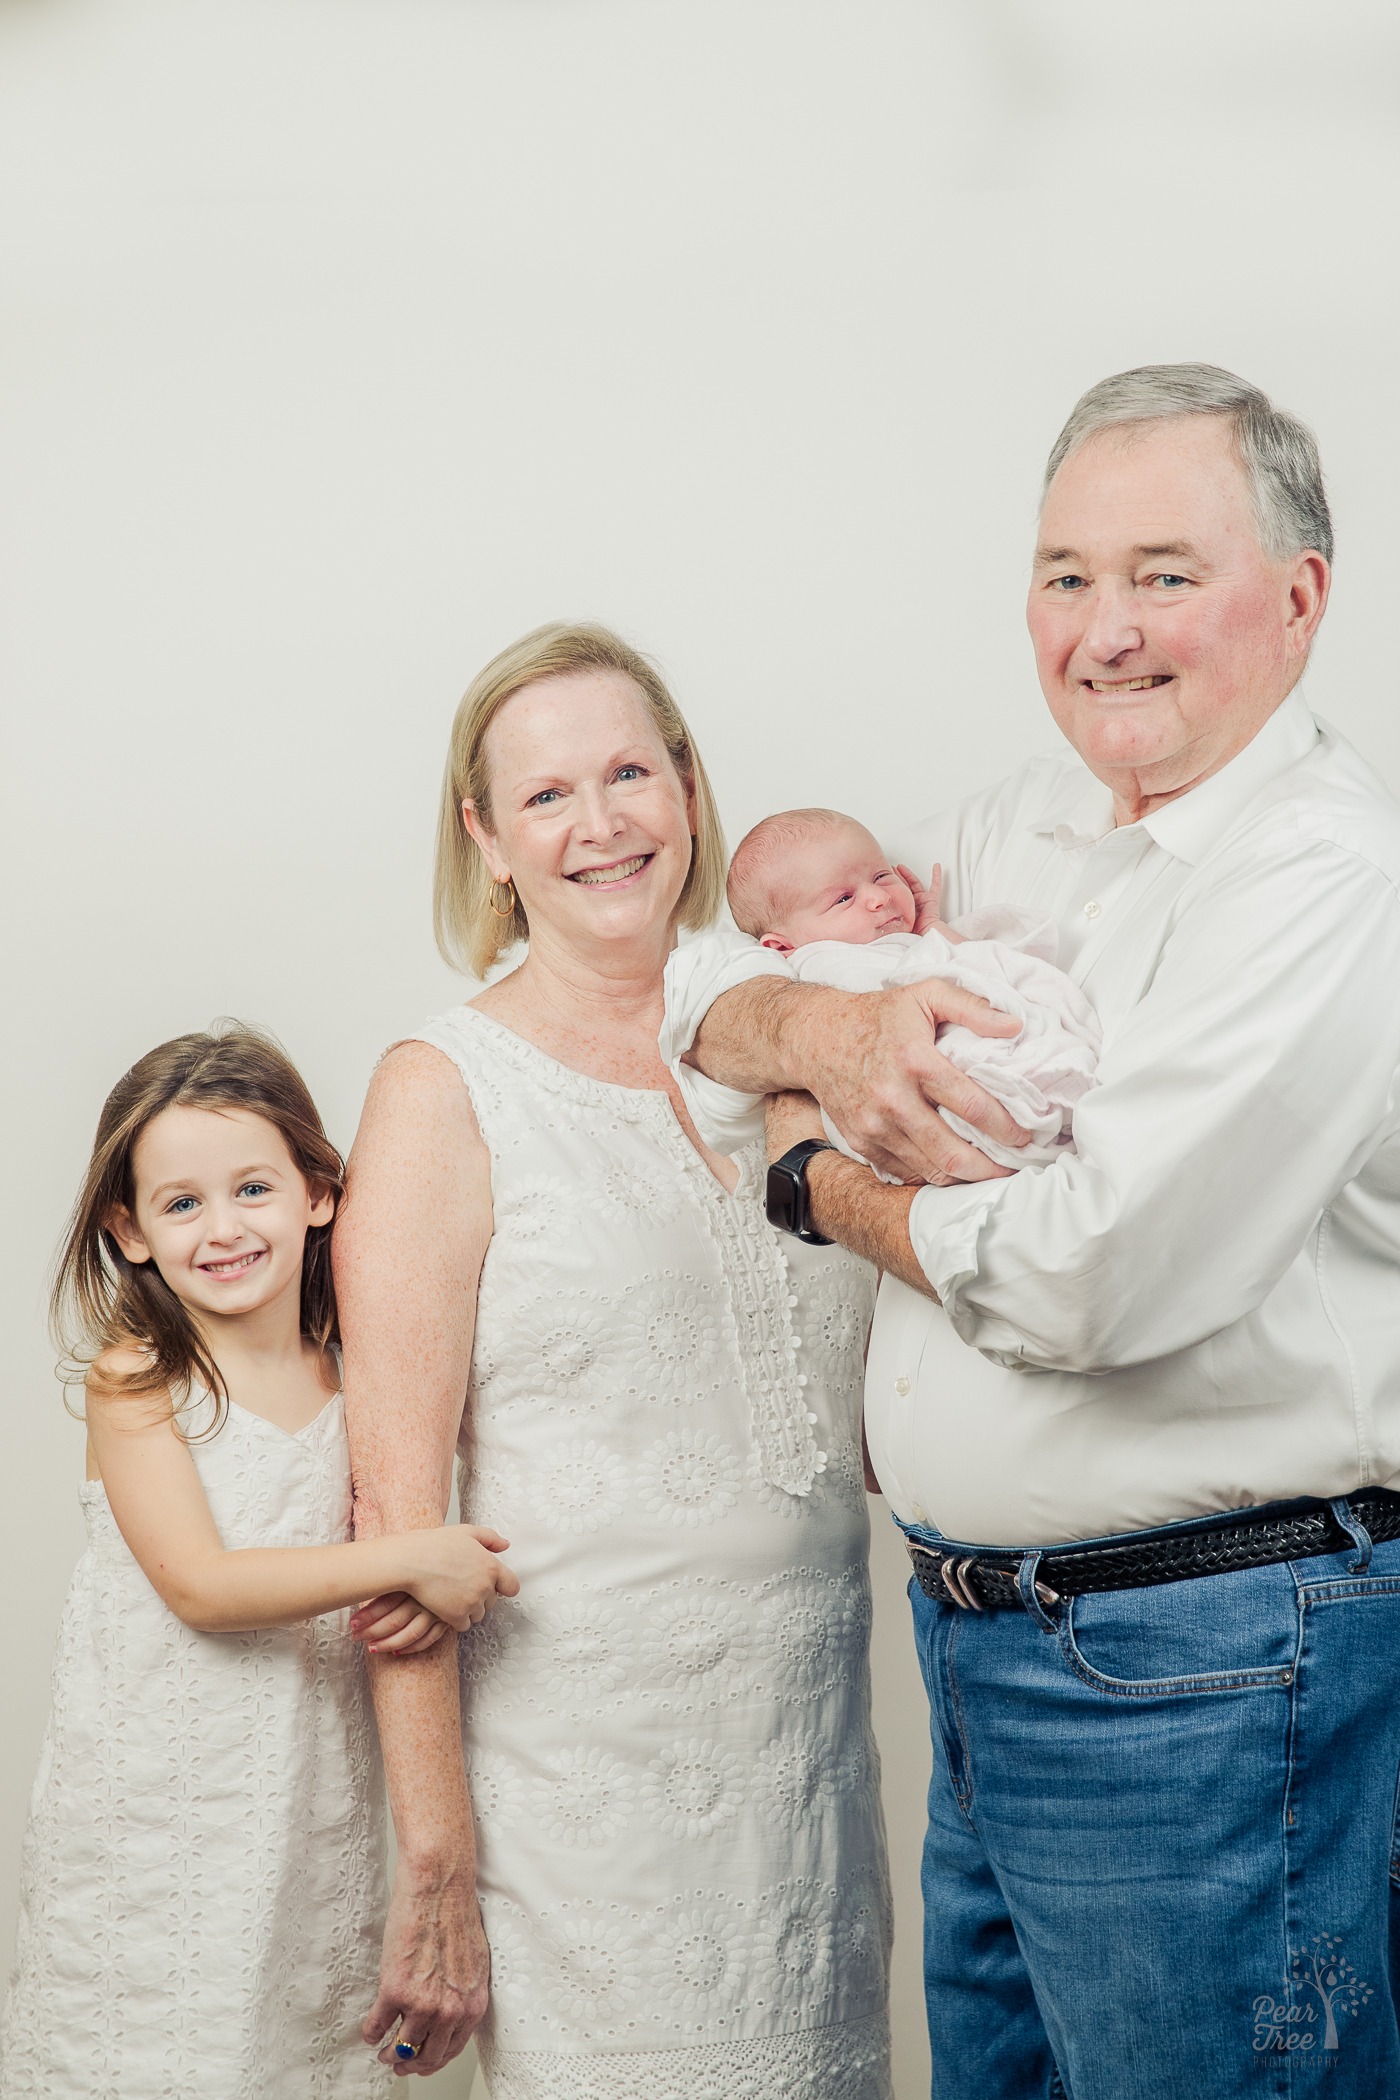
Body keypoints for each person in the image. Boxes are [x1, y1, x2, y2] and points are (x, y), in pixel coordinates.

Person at [665, 366, 1400, 2098]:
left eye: (1162, 572)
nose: (1105, 630)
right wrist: (829, 1038)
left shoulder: (1324, 876)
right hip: (990, 1654)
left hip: (1213, 1670)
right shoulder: (1017, 832)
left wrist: (819, 1183)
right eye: (1067, 575)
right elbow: (708, 1000)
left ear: (1297, 600)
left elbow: (1088, 1277)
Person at [333, 623, 892, 2095]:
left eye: (631, 772)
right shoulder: (443, 1091)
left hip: (813, 1801)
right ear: (488, 840)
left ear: (691, 791)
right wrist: (437, 1861)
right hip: (578, 1818)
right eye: (547, 795)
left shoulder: (793, 1047)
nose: (602, 824)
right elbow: (394, 1520)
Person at [0, 1027, 518, 2100]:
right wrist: (411, 1557)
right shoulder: (138, 1376)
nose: (223, 1227)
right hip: (156, 1808)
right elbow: (205, 1588)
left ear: (319, 1193)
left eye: (251, 1187)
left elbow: (395, 1559)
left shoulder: (360, 1383)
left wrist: (422, 1587)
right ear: (128, 1230)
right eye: (181, 1204)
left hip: (304, 1808)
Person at [700, 805, 1101, 1171]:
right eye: (843, 898)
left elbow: (984, 970)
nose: (877, 897)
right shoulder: (817, 966)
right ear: (782, 946)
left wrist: (932, 930)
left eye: (881, 875)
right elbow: (880, 1027)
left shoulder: (910, 941)